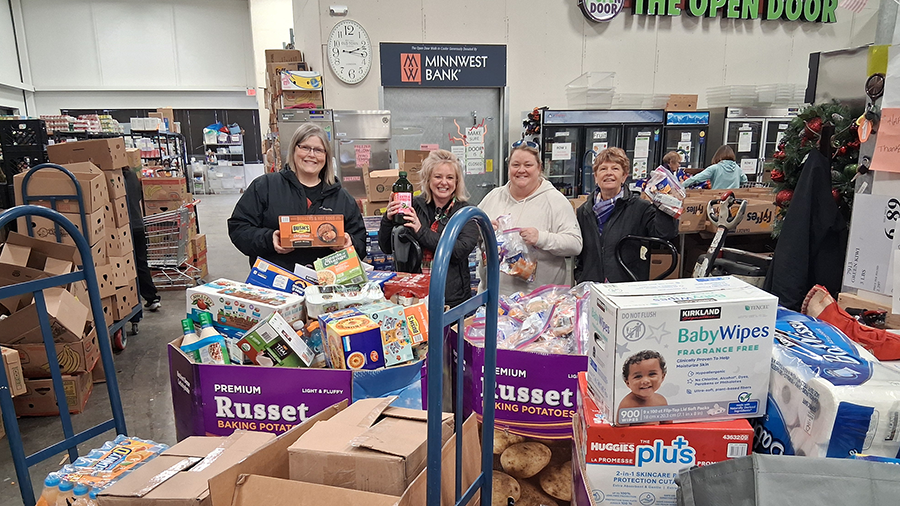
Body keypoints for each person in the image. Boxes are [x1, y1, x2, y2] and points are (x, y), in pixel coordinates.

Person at [228, 123, 367, 271]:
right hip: (276, 280)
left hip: (326, 281)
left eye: (319, 150)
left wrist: (349, 243)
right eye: (305, 147)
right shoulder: (265, 187)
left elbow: (361, 242)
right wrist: (269, 239)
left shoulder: (342, 198)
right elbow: (239, 228)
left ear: (326, 156)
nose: (311, 155)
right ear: (294, 149)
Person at [378, 149, 479, 308]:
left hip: (452, 299)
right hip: (413, 295)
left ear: (457, 182)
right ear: (428, 179)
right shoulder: (413, 206)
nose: (444, 182)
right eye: (438, 176)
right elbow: (386, 248)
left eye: (450, 177)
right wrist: (388, 220)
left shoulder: (466, 212)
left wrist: (421, 231)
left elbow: (459, 251)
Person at [478, 143, 582, 295]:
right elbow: (469, 232)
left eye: (528, 165)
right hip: (493, 299)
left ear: (539, 168)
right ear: (509, 168)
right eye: (516, 165)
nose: (521, 170)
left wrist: (541, 238)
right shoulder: (493, 197)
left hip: (539, 302)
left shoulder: (555, 200)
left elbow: (575, 244)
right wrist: (482, 231)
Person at [575, 147, 677, 284]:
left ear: (624, 176)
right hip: (592, 287)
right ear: (595, 177)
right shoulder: (584, 211)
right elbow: (580, 253)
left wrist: (665, 204)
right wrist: (580, 276)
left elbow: (664, 233)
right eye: (603, 169)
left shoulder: (640, 208)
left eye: (615, 168)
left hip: (626, 286)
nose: (609, 173)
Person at [122, 166, 159, 335]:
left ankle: (129, 303)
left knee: (127, 267)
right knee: (141, 263)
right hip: (138, 224)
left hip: (123, 227)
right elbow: (138, 196)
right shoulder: (131, 175)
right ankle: (152, 297)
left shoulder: (111, 177)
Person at [617, 350, 668, 416]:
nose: (645, 381)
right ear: (627, 383)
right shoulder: (627, 405)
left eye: (652, 374)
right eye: (638, 376)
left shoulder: (661, 401)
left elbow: (667, 422)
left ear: (662, 377)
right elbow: (619, 423)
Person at [682, 145, 747, 189]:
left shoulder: (715, 168)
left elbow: (697, 178)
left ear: (718, 156)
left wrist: (681, 186)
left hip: (718, 198)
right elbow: (744, 181)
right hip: (734, 199)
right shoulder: (738, 169)